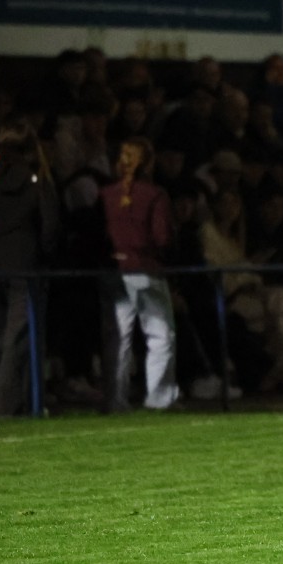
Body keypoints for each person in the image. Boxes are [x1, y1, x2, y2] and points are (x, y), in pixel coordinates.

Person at [0, 121, 59, 418]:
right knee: (17, 339)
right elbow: (50, 229)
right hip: (26, 269)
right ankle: (1, 406)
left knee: (4, 334)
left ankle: (26, 401)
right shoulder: (38, 183)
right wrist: (41, 255)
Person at [100, 138, 179, 411]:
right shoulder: (154, 195)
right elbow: (162, 237)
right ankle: (159, 398)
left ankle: (115, 400)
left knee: (117, 337)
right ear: (149, 163)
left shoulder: (106, 195)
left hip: (113, 270)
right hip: (145, 270)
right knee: (160, 334)